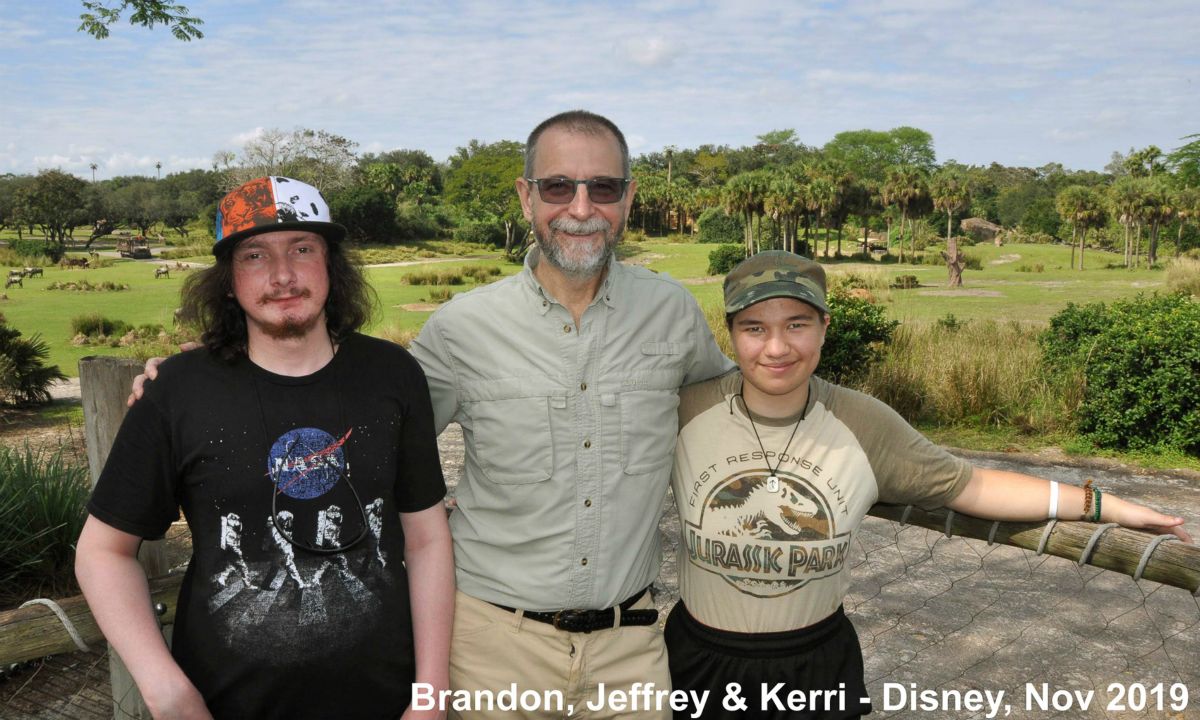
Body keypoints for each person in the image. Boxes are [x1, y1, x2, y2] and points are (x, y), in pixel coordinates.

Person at [666, 250, 1191, 720]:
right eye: (754, 328)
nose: (777, 347)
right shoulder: (686, 409)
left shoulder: (864, 422)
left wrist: (1103, 504)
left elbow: (971, 486)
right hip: (699, 660)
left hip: (816, 667)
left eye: (797, 324)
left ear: (824, 327)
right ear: (730, 332)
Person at [77, 176, 454, 720]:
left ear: (331, 265)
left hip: (387, 700)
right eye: (255, 255)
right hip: (223, 704)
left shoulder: (393, 374)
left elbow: (426, 540)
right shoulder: (178, 391)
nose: (282, 276)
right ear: (229, 280)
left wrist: (431, 695)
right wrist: (168, 693)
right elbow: (102, 552)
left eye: (302, 249)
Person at [407, 110, 734, 719]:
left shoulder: (672, 311)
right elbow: (380, 441)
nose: (581, 208)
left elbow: (739, 407)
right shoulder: (460, 328)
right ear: (526, 196)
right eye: (558, 186)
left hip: (630, 650)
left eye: (602, 187)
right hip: (491, 649)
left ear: (628, 197)